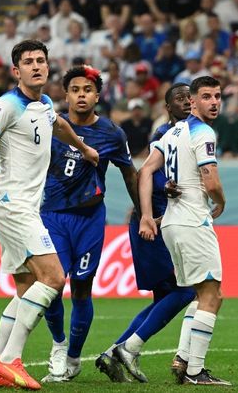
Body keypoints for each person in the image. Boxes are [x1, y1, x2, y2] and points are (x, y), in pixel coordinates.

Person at [0, 40, 99, 389]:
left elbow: (57, 124)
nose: (35, 66)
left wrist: (83, 147)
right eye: (28, 62)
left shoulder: (44, 103)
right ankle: (10, 358)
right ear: (16, 71)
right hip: (13, 205)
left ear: (47, 67)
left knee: (25, 288)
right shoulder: (7, 104)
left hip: (22, 205)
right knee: (55, 278)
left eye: (40, 61)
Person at [39, 65, 140, 383]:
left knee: (82, 289)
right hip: (52, 217)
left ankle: (72, 359)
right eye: (75, 90)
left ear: (97, 96)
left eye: (87, 90)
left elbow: (129, 174)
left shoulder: (112, 133)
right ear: (65, 94)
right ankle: (58, 345)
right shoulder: (48, 124)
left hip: (90, 220)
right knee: (52, 286)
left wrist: (144, 212)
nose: (81, 95)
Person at [95, 83, 196, 384]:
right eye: (179, 99)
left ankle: (113, 352)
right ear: (168, 108)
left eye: (189, 97)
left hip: (160, 223)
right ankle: (128, 349)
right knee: (187, 291)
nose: (187, 102)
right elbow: (146, 177)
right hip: (152, 225)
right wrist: (148, 215)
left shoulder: (188, 134)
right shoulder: (167, 136)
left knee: (165, 298)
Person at [138, 76, 230, 386]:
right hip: (192, 221)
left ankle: (183, 358)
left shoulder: (172, 132)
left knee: (200, 294)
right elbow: (212, 181)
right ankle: (195, 371)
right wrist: (221, 202)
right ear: (192, 102)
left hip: (172, 223)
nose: (214, 101)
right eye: (206, 97)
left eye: (217, 96)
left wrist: (148, 215)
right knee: (212, 294)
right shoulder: (203, 132)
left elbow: (146, 170)